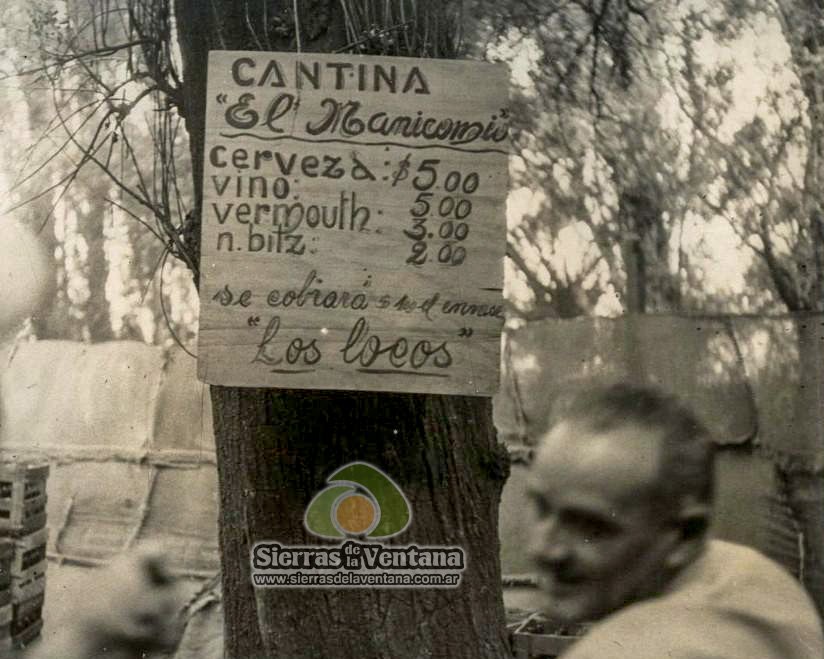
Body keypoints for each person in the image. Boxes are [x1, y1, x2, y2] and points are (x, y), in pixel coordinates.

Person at [526, 383, 824, 659]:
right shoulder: (752, 576)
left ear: (685, 535)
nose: (544, 549)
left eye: (591, 527)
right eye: (541, 508)